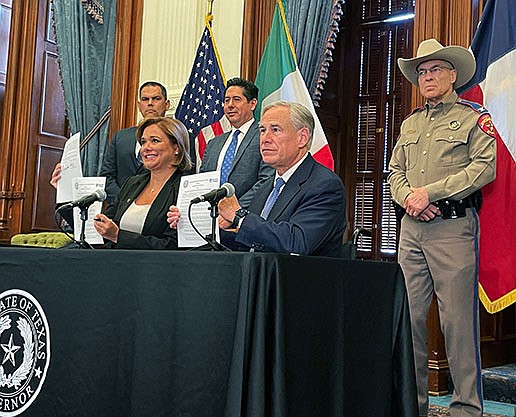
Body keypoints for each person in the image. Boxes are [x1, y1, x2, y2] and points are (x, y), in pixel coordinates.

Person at [388, 39, 496, 417]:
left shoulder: (473, 117)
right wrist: (409, 199)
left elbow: (485, 167)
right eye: (422, 71)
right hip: (412, 231)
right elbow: (394, 172)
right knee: (409, 320)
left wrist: (429, 192)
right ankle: (411, 406)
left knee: (458, 325)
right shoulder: (411, 122)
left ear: (453, 75)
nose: (428, 76)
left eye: (435, 69)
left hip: (453, 228)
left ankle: (467, 409)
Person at [168, 101, 346, 257]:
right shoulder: (267, 186)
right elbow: (253, 242)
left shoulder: (324, 185)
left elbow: (297, 243)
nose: (265, 139)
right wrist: (195, 227)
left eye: (275, 130)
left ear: (302, 137)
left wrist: (238, 216)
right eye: (262, 130)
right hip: (258, 280)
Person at [91, 116, 191, 249]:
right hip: (116, 262)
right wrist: (66, 190)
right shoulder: (133, 183)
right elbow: (101, 225)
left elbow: (173, 245)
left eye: (155, 141)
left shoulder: (186, 189)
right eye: (143, 142)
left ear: (176, 148)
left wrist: (118, 236)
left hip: (155, 267)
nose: (145, 148)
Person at [199, 77, 274, 208]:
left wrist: (234, 210)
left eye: (237, 99)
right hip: (210, 217)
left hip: (244, 217)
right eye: (227, 100)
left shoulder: (264, 136)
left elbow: (266, 180)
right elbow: (202, 181)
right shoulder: (213, 144)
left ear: (253, 104)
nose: (230, 105)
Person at [99, 81, 171, 202]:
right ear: (139, 105)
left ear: (167, 104)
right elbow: (107, 176)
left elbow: (183, 175)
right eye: (145, 99)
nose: (150, 103)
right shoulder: (120, 137)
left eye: (156, 99)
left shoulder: (177, 136)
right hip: (120, 208)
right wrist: (123, 202)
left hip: (160, 207)